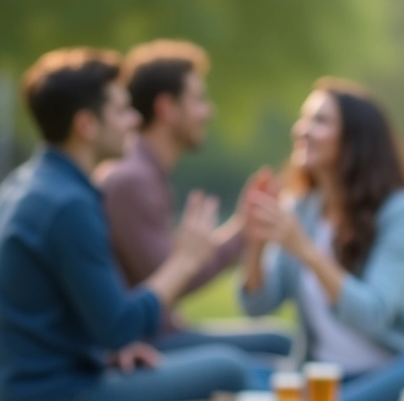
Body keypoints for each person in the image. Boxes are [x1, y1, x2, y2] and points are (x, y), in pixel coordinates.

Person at [0, 48, 266, 401]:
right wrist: (185, 261)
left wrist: (105, 354)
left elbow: (81, 318)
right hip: (47, 398)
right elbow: (120, 325)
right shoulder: (69, 205)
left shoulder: (27, 184)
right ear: (87, 125)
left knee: (225, 362)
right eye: (122, 110)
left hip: (3, 394)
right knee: (228, 369)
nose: (134, 120)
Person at [239, 78, 404, 401]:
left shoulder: (402, 211)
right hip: (324, 381)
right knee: (234, 370)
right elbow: (257, 306)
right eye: (304, 119)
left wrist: (308, 252)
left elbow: (371, 313)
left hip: (392, 374)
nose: (303, 130)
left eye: (320, 121)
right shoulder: (303, 210)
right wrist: (255, 245)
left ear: (356, 139)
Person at [98, 39, 290, 357]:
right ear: (166, 108)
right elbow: (175, 278)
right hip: (148, 346)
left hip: (163, 333)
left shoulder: (146, 174)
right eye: (198, 100)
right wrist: (242, 229)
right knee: (278, 345)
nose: (208, 111)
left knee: (276, 341)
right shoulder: (131, 180)